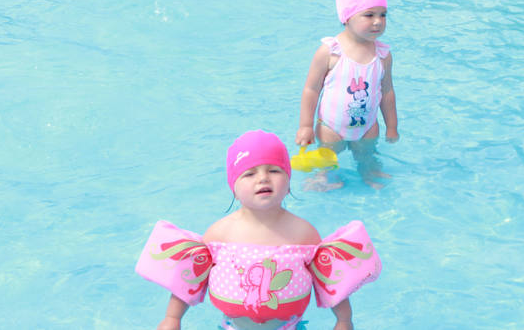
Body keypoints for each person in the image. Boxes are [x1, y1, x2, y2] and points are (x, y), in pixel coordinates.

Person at [137, 130, 381, 330]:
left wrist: (344, 320)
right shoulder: (220, 232)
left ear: (288, 182)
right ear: (233, 187)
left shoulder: (302, 233)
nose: (263, 179)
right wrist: (173, 318)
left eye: (274, 171)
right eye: (249, 173)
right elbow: (189, 276)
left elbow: (330, 279)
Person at [297, 0, 398, 186]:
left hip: (368, 126)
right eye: (368, 15)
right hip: (331, 127)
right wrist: (306, 126)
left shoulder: (382, 55)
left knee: (367, 155)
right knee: (328, 158)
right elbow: (311, 90)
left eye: (383, 14)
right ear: (346, 17)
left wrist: (391, 126)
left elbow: (387, 93)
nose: (378, 21)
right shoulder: (330, 52)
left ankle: (368, 171)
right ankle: (325, 176)